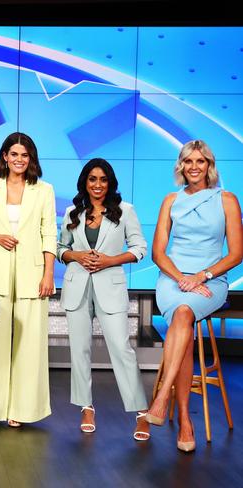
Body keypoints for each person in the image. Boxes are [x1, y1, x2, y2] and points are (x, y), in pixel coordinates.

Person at [147, 140, 242, 452]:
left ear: (209, 166)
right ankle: (185, 419)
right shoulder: (170, 201)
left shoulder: (227, 199)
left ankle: (163, 400)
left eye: (200, 161)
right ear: (181, 166)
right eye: (188, 161)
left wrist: (202, 276)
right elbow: (158, 253)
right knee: (182, 318)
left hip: (210, 281)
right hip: (173, 279)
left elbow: (237, 254)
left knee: (184, 314)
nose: (194, 167)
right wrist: (181, 278)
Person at [0, 132, 56, 430]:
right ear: (4, 156)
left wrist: (48, 274)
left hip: (33, 276)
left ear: (31, 159)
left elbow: (50, 234)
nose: (19, 159)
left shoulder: (44, 190)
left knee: (29, 345)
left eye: (25, 155)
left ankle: (22, 407)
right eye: (14, 154)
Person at [57, 158, 149, 440]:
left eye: (103, 179)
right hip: (77, 288)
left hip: (111, 287)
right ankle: (86, 407)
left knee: (122, 349)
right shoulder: (73, 212)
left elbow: (139, 248)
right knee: (80, 350)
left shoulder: (125, 211)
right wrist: (76, 255)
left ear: (110, 183)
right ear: (85, 182)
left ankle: (141, 413)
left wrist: (111, 260)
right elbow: (60, 248)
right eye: (92, 179)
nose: (97, 185)